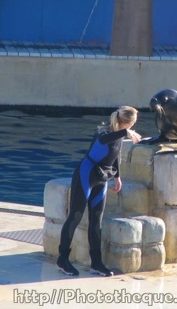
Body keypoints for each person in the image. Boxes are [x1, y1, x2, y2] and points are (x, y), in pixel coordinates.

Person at [57, 106, 142, 277]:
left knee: (96, 221)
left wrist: (117, 177)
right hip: (86, 175)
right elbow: (105, 142)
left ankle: (96, 262)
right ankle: (63, 259)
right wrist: (125, 133)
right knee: (75, 216)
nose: (132, 128)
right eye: (132, 124)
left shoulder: (119, 134)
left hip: (102, 178)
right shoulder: (104, 132)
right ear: (127, 123)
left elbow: (116, 154)